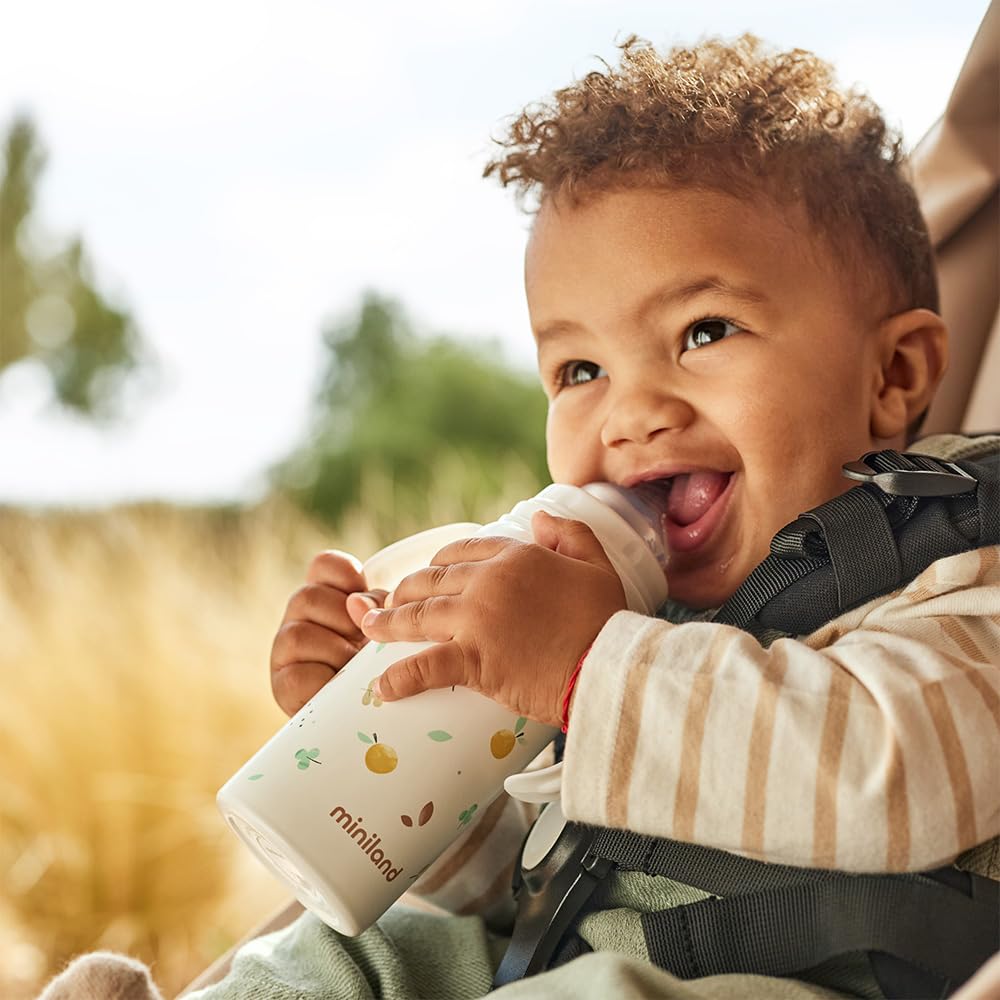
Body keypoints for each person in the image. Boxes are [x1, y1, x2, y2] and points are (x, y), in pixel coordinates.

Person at [42, 32, 1000, 1000]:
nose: (629, 413)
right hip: (565, 959)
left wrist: (587, 666)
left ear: (893, 375)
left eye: (703, 331)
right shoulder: (629, 611)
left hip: (813, 979)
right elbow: (524, 886)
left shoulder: (960, 571)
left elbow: (900, 775)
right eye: (580, 369)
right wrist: (391, 735)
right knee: (354, 954)